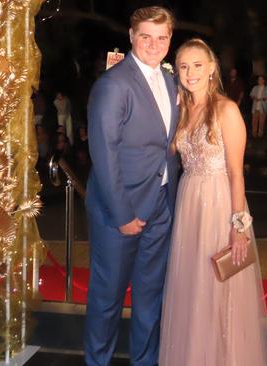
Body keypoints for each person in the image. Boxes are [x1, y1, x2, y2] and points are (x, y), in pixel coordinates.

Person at [159, 38, 267, 365]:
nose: (190, 72)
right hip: (188, 202)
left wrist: (240, 228)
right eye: (183, 66)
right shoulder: (180, 109)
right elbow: (164, 153)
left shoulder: (227, 109)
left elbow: (237, 174)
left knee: (220, 290)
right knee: (191, 288)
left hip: (220, 204)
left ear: (211, 69)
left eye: (197, 65)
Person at [83, 7, 179, 366]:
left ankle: (145, 361)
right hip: (118, 212)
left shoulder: (171, 82)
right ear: (131, 36)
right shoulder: (113, 84)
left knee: (150, 298)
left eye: (162, 37)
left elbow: (165, 145)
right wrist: (123, 214)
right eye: (146, 36)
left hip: (160, 208)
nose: (154, 44)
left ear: (170, 39)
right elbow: (103, 153)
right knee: (107, 300)